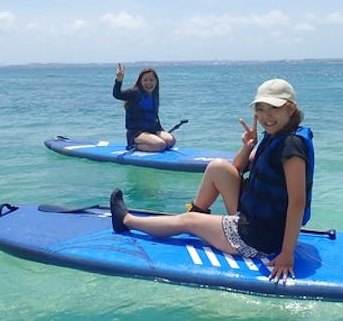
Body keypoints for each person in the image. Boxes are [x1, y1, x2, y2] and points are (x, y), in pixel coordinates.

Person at [110, 78, 314, 283]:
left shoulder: (291, 146)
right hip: (259, 218)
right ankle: (199, 218)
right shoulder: (276, 135)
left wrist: (287, 254)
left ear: (291, 109)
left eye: (273, 109)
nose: (265, 116)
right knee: (219, 167)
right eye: (260, 109)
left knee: (188, 221)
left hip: (261, 237)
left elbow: (298, 202)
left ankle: (127, 221)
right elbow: (235, 169)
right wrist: (249, 145)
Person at [112, 64, 176, 152]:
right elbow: (117, 94)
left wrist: (161, 132)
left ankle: (152, 142)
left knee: (170, 141)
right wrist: (119, 80)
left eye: (151, 80)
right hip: (136, 133)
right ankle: (134, 145)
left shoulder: (154, 95)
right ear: (140, 82)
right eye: (145, 80)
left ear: (156, 82)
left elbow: (154, 118)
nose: (149, 83)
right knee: (160, 145)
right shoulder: (135, 93)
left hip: (152, 130)